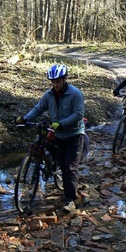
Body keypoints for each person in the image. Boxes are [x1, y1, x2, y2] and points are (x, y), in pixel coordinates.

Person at [16, 64, 85, 212]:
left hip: (74, 135)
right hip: (59, 135)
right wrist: (25, 118)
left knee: (70, 169)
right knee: (59, 161)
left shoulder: (75, 94)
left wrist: (61, 124)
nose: (55, 84)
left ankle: (70, 200)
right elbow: (39, 108)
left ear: (64, 79)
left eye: (58, 81)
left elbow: (78, 114)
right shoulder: (49, 95)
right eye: (53, 82)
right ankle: (55, 171)